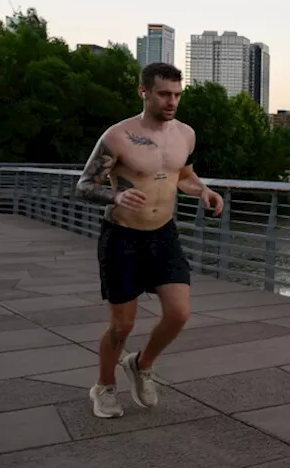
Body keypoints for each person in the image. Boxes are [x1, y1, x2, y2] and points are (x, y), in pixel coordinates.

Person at [73, 62, 224, 419]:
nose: (172, 101)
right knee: (122, 325)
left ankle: (141, 364)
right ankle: (104, 386)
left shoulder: (185, 134)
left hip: (163, 234)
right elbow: (83, 185)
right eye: (164, 94)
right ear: (144, 92)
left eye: (177, 94)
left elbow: (182, 174)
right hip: (122, 236)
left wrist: (203, 190)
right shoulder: (118, 136)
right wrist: (115, 197)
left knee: (179, 312)